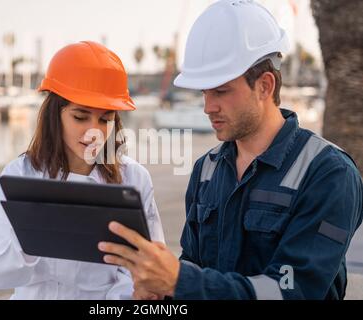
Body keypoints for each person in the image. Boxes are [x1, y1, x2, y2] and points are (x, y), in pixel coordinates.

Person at [98, 0, 363, 300]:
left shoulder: (329, 173)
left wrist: (179, 281)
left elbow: (294, 291)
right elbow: (194, 264)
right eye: (204, 92)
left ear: (265, 86)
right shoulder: (206, 169)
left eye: (221, 91)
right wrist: (162, 293)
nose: (208, 107)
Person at [0, 41, 165, 299]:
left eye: (105, 119)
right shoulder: (19, 175)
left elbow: (145, 272)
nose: (94, 131)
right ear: (54, 114)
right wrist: (33, 236)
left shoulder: (135, 179)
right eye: (80, 117)